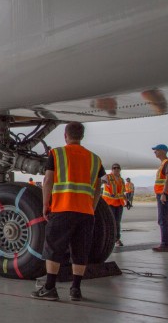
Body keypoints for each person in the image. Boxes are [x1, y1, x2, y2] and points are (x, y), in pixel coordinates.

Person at [32, 122, 104, 302]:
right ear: (82, 136)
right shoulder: (95, 159)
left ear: (66, 135)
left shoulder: (56, 154)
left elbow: (48, 180)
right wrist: (92, 207)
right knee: (80, 250)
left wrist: (45, 204)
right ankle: (76, 289)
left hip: (63, 209)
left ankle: (49, 288)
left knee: (54, 249)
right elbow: (98, 188)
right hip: (85, 212)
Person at [152, 144, 168, 252]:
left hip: (165, 194)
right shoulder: (165, 163)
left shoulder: (167, 163)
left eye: (156, 150)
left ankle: (165, 244)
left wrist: (163, 193)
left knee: (162, 220)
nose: (155, 152)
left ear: (163, 151)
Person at [102, 163, 126, 246]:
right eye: (114, 168)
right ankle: (110, 239)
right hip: (110, 203)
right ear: (112, 169)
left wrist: (127, 201)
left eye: (117, 168)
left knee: (117, 222)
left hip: (119, 204)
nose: (116, 169)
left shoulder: (122, 180)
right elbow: (99, 182)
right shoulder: (107, 177)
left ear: (120, 169)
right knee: (111, 222)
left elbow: (122, 192)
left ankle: (117, 239)